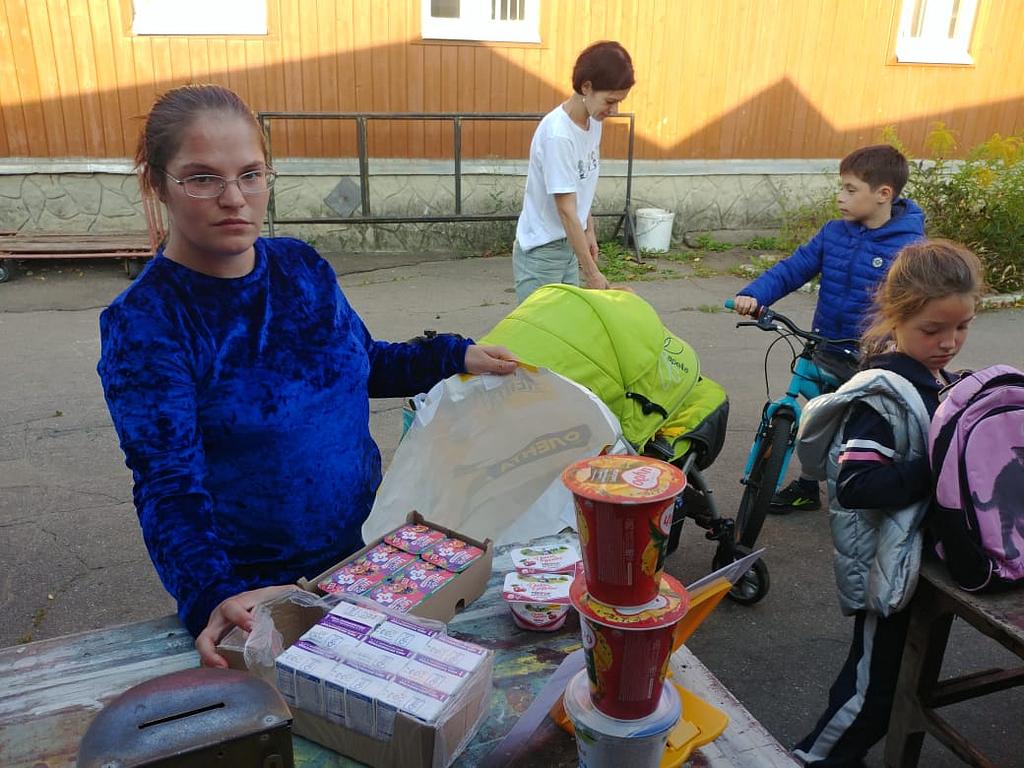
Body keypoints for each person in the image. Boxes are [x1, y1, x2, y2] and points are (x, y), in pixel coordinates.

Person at [97, 84, 517, 667]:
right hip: (263, 596)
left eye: (250, 175)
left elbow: (360, 364)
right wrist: (212, 593)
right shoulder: (147, 322)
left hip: (368, 558)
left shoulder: (300, 266)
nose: (233, 198)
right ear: (156, 184)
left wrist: (452, 356)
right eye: (202, 178)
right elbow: (167, 485)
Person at [791, 240, 983, 767]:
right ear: (896, 317)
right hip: (887, 567)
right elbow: (857, 486)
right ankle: (812, 759)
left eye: (962, 327)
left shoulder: (939, 380)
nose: (949, 342)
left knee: (893, 683)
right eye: (933, 330)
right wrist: (943, 468)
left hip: (918, 564)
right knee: (869, 696)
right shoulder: (882, 397)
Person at [732, 144, 925, 512]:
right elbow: (794, 268)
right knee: (817, 417)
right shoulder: (834, 233)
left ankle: (875, 490)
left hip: (874, 356)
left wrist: (897, 342)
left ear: (883, 194)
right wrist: (754, 295)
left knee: (863, 426)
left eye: (851, 190)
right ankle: (808, 487)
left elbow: (917, 305)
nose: (840, 197)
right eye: (841, 187)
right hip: (826, 343)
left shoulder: (909, 248)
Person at [512, 40, 635, 303]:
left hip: (569, 244)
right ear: (586, 87)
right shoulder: (559, 135)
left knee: (567, 324)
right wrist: (591, 273)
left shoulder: (593, 122)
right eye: (610, 101)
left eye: (619, 102)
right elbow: (566, 210)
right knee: (542, 327)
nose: (614, 110)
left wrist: (589, 230)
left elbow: (580, 182)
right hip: (542, 252)